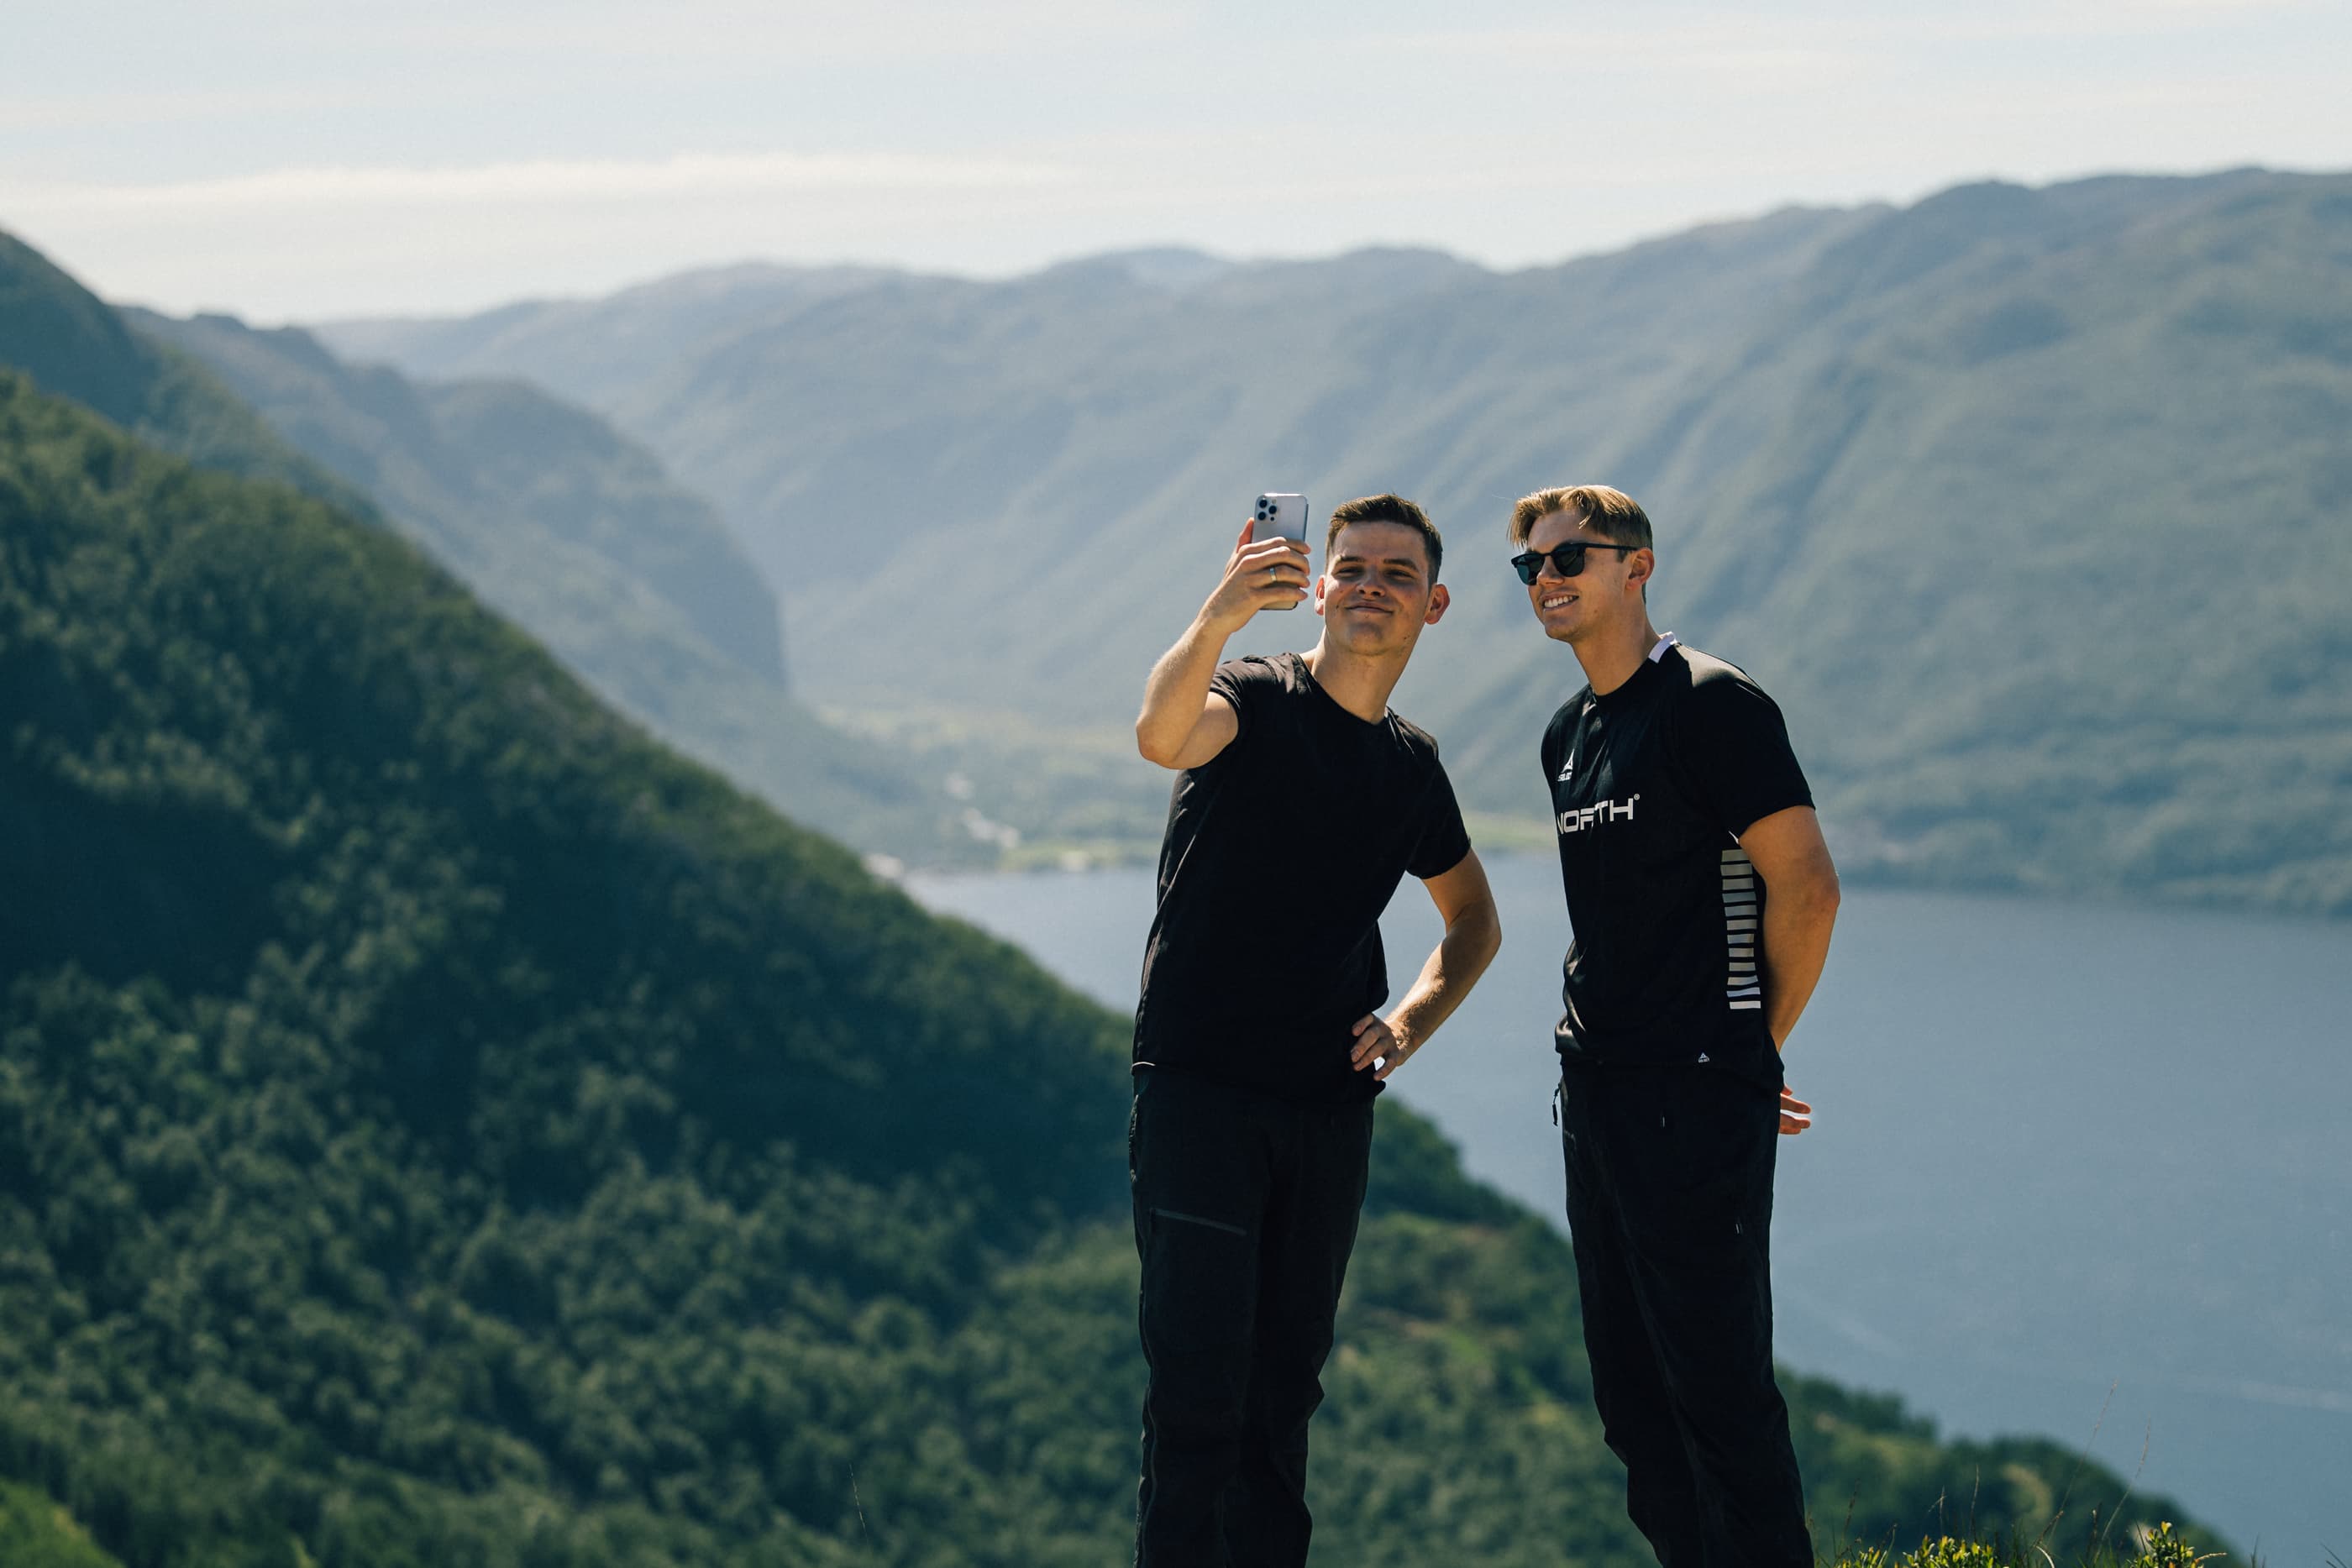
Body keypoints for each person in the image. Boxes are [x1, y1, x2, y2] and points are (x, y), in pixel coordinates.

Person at [1127, 492, 1502, 1566]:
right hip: (1200, 1090)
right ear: (1320, 585)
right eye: (1351, 567)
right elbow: (1161, 735)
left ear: (1432, 605)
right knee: (1198, 1394)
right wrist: (1217, 616)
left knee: (1282, 1398)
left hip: (1327, 1111)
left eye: (1395, 572)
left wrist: (1411, 1022)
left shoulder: (1411, 767)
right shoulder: (1250, 693)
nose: (1369, 584)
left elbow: (1473, 919)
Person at [1511, 484, 1840, 1566]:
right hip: (1597, 1095)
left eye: (1572, 557)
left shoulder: (1711, 703)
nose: (1548, 579)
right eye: (1532, 566)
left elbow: (1807, 887)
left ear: (1636, 568)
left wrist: (1747, 1057)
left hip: (1692, 1096)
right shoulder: (1570, 733)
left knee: (1716, 1391)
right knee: (1634, 1403)